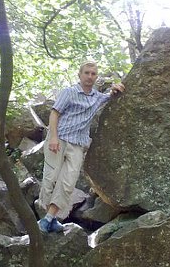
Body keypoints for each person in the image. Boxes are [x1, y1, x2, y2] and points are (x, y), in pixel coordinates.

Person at [38, 61, 125, 233]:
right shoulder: (69, 92)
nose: (90, 76)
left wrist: (117, 89)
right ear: (80, 75)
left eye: (93, 74)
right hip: (59, 139)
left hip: (78, 144)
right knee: (50, 179)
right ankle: (43, 216)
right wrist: (53, 137)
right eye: (87, 73)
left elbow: (112, 95)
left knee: (68, 183)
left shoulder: (97, 97)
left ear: (96, 77)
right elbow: (54, 114)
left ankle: (50, 218)